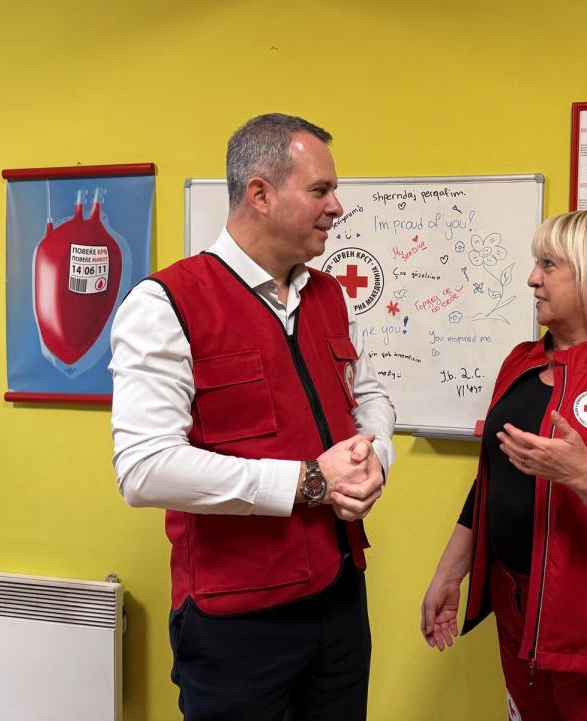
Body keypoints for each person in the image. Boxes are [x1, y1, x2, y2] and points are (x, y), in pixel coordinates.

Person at [109, 113, 395, 721]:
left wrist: (377, 457)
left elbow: (369, 398)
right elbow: (143, 468)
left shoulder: (329, 296)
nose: (337, 207)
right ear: (260, 194)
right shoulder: (165, 304)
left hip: (340, 600)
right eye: (320, 190)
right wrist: (307, 482)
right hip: (237, 622)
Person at [420, 209, 587, 721]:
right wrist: (449, 574)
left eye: (548, 264)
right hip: (519, 626)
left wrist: (584, 476)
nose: (532, 278)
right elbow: (491, 481)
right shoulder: (520, 364)